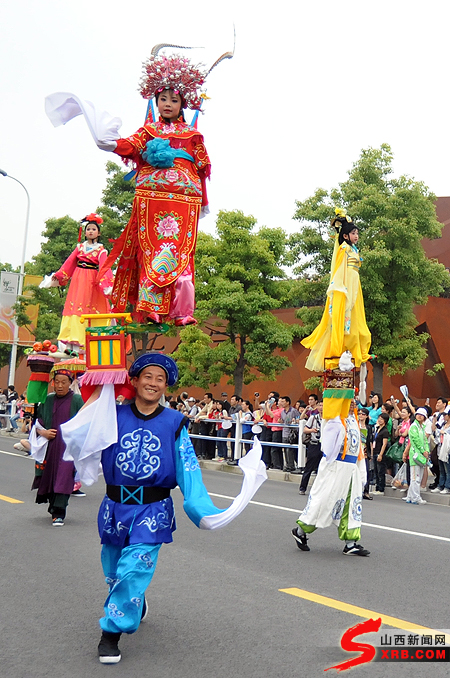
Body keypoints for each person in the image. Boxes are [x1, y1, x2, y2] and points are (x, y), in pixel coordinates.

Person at [59, 352, 266, 664]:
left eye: (160, 379)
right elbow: (81, 437)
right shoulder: (112, 416)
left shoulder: (174, 423)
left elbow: (188, 469)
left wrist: (203, 510)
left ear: (166, 386)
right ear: (135, 381)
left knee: (133, 570)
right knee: (115, 572)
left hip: (152, 510)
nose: (153, 383)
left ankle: (111, 632)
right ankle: (134, 600)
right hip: (114, 507)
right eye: (147, 377)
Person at [96, 56, 212, 327]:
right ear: (156, 102)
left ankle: (182, 311)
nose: (168, 104)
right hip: (151, 198)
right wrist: (110, 143)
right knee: (151, 251)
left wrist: (203, 201)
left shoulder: (192, 135)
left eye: (174, 99)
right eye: (163, 99)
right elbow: (129, 146)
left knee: (180, 253)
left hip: (184, 200)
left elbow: (203, 168)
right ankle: (151, 308)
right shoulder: (148, 131)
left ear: (183, 103)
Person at [292, 407, 369, 556]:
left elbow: (359, 447)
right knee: (324, 501)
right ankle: (301, 530)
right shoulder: (333, 419)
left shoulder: (353, 420)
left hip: (351, 468)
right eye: (349, 399)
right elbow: (327, 446)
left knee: (350, 504)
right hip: (335, 466)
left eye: (354, 399)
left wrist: (361, 469)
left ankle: (350, 543)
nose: (353, 403)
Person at [300, 209, 371, 372]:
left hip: (355, 285)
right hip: (346, 285)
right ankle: (341, 349)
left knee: (357, 320)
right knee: (345, 318)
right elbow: (339, 270)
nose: (356, 236)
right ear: (345, 236)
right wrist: (342, 289)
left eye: (357, 233)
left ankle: (356, 349)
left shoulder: (354, 249)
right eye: (353, 233)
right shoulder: (344, 249)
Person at [51, 214, 114, 352]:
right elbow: (69, 263)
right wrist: (59, 275)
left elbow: (104, 267)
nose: (90, 231)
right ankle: (71, 343)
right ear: (84, 232)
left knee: (88, 306)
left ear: (99, 233)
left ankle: (85, 343)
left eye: (93, 229)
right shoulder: (80, 247)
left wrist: (107, 285)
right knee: (75, 306)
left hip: (92, 280)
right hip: (78, 279)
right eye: (88, 229)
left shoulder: (101, 250)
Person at [30, 370, 84, 525]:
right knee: (50, 477)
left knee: (63, 477)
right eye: (57, 382)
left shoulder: (77, 400)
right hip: (50, 447)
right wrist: (43, 432)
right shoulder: (47, 400)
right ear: (53, 382)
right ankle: (53, 507)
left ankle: (59, 512)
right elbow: (37, 425)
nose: (60, 386)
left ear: (70, 383)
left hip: (68, 449)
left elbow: (85, 423)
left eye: (64, 382)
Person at [403, 408, 429, 505]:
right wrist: (423, 451)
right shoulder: (413, 427)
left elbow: (425, 441)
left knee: (418, 476)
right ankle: (415, 498)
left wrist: (427, 451)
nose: (419, 416)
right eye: (418, 414)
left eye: (422, 415)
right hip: (415, 455)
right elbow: (416, 440)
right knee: (415, 478)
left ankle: (410, 497)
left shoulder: (422, 427)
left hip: (421, 455)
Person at [298, 402, 323, 495]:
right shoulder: (313, 418)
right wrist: (312, 430)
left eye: (323, 406)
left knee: (322, 468)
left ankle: (319, 489)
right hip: (314, 444)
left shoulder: (329, 419)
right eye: (320, 405)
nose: (321, 408)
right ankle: (303, 487)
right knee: (309, 467)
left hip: (324, 445)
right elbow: (305, 429)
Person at [371, 413, 390, 495]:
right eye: (379, 418)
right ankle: (377, 487)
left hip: (380, 452)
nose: (379, 420)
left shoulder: (385, 431)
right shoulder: (377, 428)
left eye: (381, 419)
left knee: (380, 471)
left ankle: (381, 488)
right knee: (376, 470)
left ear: (385, 421)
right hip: (375, 451)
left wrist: (381, 454)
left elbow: (384, 444)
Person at [280, 396, 299, 472]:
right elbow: (283, 420)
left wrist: (294, 421)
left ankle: (291, 466)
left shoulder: (293, 411)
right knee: (285, 449)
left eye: (283, 401)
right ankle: (287, 465)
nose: (282, 403)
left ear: (288, 402)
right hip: (284, 432)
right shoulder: (282, 412)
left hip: (291, 433)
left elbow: (298, 418)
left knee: (290, 450)